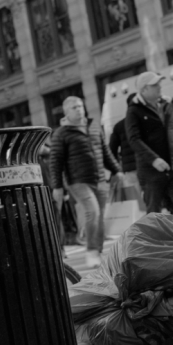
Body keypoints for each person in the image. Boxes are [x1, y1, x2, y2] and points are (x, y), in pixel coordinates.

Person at [48, 96, 120, 268]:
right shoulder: (61, 133)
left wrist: (117, 170)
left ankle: (98, 252)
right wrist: (57, 187)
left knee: (100, 216)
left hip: (100, 179)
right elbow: (55, 161)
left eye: (80, 106)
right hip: (77, 181)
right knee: (92, 212)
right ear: (66, 112)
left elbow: (105, 151)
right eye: (74, 107)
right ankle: (92, 251)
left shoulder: (93, 126)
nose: (79, 109)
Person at [124, 71, 173, 218]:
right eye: (155, 85)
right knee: (154, 214)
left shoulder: (167, 105)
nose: (160, 87)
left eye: (159, 83)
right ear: (144, 89)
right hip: (151, 173)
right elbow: (134, 139)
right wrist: (154, 159)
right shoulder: (133, 111)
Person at [109, 93, 142, 206]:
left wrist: (117, 169)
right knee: (151, 198)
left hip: (130, 169)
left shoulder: (119, 126)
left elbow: (111, 150)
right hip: (147, 166)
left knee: (137, 202)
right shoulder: (144, 121)